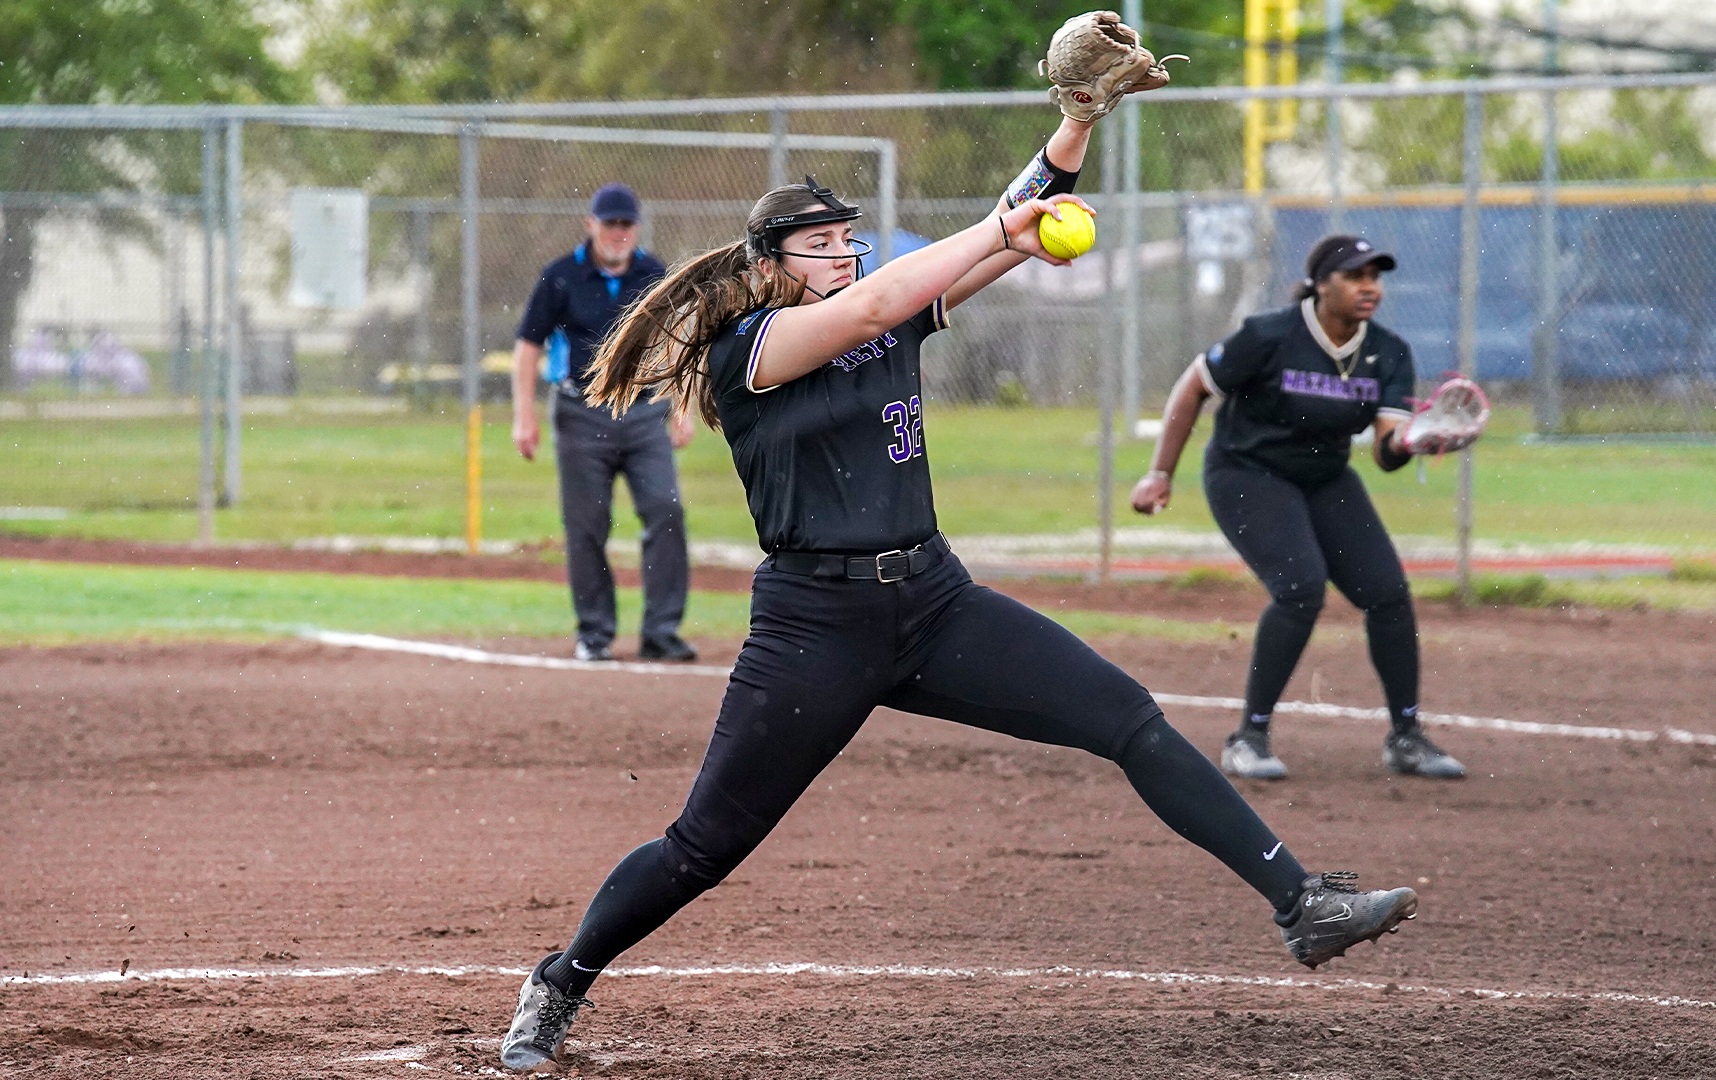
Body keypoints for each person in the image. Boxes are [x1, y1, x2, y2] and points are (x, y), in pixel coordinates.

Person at [498, 118, 1420, 1071]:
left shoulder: (880, 309)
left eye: (848, 239)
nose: (844, 254)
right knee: (703, 846)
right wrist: (998, 235)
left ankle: (1302, 903)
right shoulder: (756, 346)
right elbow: (881, 303)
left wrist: (1076, 123)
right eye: (821, 245)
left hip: (936, 602)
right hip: (815, 626)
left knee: (1127, 717)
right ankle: (559, 981)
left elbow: (986, 232)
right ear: (769, 265)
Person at [1130, 235, 1468, 782]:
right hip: (1246, 472)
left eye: (1376, 278)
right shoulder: (1268, 335)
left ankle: (1406, 737)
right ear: (1321, 284)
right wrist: (1159, 474)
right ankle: (1249, 738)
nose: (1370, 288)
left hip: (1324, 477)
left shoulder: (1388, 351)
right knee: (1301, 588)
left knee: (1387, 593)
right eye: (1356, 276)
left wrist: (1410, 443)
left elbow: (1385, 452)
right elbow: (1192, 388)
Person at [512, 183, 698, 663]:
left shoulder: (653, 273)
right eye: (610, 223)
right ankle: (594, 632)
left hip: (643, 412)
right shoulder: (561, 276)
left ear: (636, 227)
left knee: (665, 511)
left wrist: (682, 405)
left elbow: (678, 341)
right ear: (591, 224)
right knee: (587, 525)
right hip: (581, 415)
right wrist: (523, 416)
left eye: (626, 224)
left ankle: (660, 630)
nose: (618, 233)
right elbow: (529, 346)